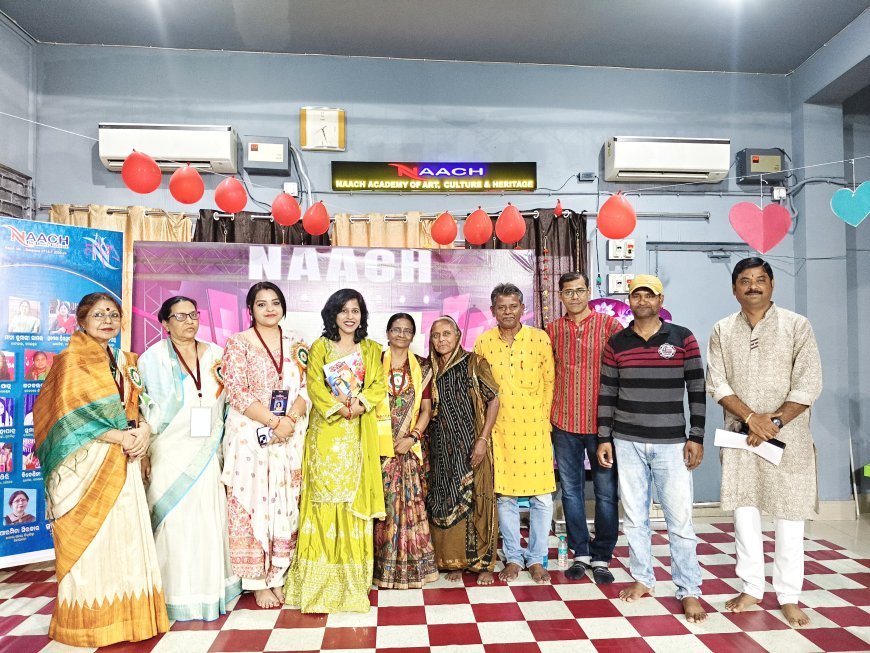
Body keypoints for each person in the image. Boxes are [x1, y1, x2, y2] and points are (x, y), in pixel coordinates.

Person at [33, 292, 169, 646]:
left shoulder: (125, 359)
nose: (107, 319)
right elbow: (67, 418)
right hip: (87, 464)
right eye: (98, 314)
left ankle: (129, 619)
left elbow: (143, 401)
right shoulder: (70, 360)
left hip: (126, 458)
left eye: (113, 313)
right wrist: (119, 437)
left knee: (125, 540)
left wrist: (143, 431)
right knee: (93, 544)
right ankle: (91, 622)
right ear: (81, 320)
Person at [706, 257, 822, 628]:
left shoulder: (796, 326)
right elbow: (718, 383)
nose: (753, 286)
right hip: (742, 436)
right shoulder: (722, 330)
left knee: (789, 516)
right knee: (745, 513)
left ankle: (788, 595)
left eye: (760, 280)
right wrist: (751, 419)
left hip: (788, 438)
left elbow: (808, 383)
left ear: (772, 285)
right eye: (745, 280)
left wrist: (771, 422)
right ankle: (752, 587)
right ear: (734, 288)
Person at [597, 275, 707, 623]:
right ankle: (644, 579)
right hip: (626, 441)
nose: (642, 300)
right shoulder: (617, 343)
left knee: (680, 521)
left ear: (661, 300)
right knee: (634, 518)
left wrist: (697, 436)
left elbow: (697, 390)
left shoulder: (682, 338)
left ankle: (689, 589)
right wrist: (603, 437)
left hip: (673, 443)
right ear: (629, 300)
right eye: (636, 295)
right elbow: (607, 393)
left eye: (649, 294)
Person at [138, 296, 241, 621]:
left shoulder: (215, 354)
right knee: (174, 521)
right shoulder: (150, 359)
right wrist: (144, 454)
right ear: (165, 324)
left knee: (207, 517)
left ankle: (209, 592)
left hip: (207, 451)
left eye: (193, 314)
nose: (189, 321)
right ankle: (173, 593)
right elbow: (145, 409)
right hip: (168, 450)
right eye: (180, 316)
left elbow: (228, 402)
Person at [284, 288, 387, 613]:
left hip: (359, 434)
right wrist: (338, 408)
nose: (349, 316)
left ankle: (351, 584)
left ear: (362, 315)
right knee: (325, 501)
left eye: (355, 310)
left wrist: (359, 405)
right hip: (326, 437)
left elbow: (378, 385)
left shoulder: (371, 350)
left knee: (351, 500)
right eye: (343, 310)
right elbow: (314, 384)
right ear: (333, 314)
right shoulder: (320, 347)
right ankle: (319, 584)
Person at [221, 282, 310, 609]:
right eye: (262, 304)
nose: (270, 309)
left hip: (289, 437)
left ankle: (279, 575)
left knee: (286, 504)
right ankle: (256, 581)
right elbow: (237, 392)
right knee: (253, 503)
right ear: (250, 310)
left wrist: (289, 421)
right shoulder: (238, 344)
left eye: (275, 302)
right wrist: (274, 422)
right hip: (252, 437)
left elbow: (307, 387)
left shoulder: (298, 343)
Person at [473, 283, 555, 584]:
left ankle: (535, 558)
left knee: (543, 499)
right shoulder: (484, 343)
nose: (507, 312)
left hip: (535, 429)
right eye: (501, 307)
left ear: (523, 309)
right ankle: (513, 558)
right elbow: (480, 390)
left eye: (513, 306)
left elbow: (550, 382)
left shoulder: (539, 339)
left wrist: (544, 421)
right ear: (493, 310)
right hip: (500, 430)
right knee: (505, 498)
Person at [547, 271, 622, 584]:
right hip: (563, 421)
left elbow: (622, 371)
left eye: (579, 290)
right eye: (568, 292)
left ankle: (602, 554)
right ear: (560, 296)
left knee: (605, 493)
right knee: (572, 492)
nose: (574, 297)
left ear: (588, 291)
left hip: (602, 425)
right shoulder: (551, 330)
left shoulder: (609, 326)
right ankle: (581, 553)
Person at [427, 316, 500, 585]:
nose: (441, 340)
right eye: (436, 335)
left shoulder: (474, 363)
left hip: (471, 444)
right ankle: (452, 561)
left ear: (458, 335)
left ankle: (481, 564)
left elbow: (494, 401)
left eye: (447, 333)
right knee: (444, 500)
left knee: (474, 501)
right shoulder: (428, 368)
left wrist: (482, 439)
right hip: (439, 447)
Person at [373, 313, 439, 589]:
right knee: (382, 509)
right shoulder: (373, 363)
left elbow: (426, 410)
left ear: (413, 336)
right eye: (396, 330)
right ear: (387, 333)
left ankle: (413, 569)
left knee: (410, 508)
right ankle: (377, 569)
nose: (401, 334)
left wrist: (412, 437)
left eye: (407, 331)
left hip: (408, 449)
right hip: (377, 449)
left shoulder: (422, 368)